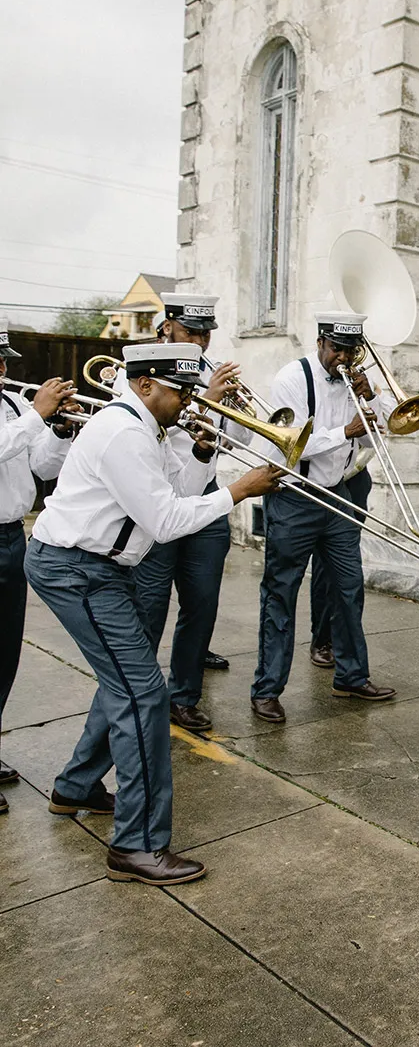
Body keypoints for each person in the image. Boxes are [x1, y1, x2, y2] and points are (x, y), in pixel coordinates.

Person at [24, 342, 282, 886]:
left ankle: (75, 787)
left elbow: (179, 490)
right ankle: (136, 847)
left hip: (98, 569)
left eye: (191, 390)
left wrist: (206, 454)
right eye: (181, 391)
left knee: (124, 682)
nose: (189, 401)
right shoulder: (124, 431)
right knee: (143, 694)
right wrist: (238, 491)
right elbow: (165, 521)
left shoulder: (150, 428)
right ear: (145, 386)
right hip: (77, 569)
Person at [252, 311, 396, 723]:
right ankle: (266, 690)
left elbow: (383, 429)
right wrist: (345, 432)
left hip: (338, 495)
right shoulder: (291, 379)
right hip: (295, 497)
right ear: (320, 343)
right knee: (281, 593)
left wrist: (372, 397)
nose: (344, 359)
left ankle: (351, 676)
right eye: (337, 350)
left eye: (352, 351)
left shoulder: (357, 379)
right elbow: (288, 445)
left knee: (349, 588)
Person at [129, 295, 247, 732]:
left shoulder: (210, 370)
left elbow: (228, 442)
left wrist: (229, 409)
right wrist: (206, 400)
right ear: (168, 327)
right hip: (157, 499)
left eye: (206, 332)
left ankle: (184, 698)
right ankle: (138, 698)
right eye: (191, 331)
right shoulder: (147, 368)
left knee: (202, 605)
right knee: (150, 607)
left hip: (206, 496)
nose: (200, 339)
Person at [0, 318, 76, 814]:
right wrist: (34, 415)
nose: (4, 369)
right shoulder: (19, 411)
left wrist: (61, 431)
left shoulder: (10, 406)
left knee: (5, 655)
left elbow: (42, 469)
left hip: (11, 538)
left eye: (4, 361)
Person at [308, 450, 374, 668]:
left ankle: (345, 646)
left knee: (348, 565)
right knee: (325, 567)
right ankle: (322, 639)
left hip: (355, 476)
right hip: (321, 477)